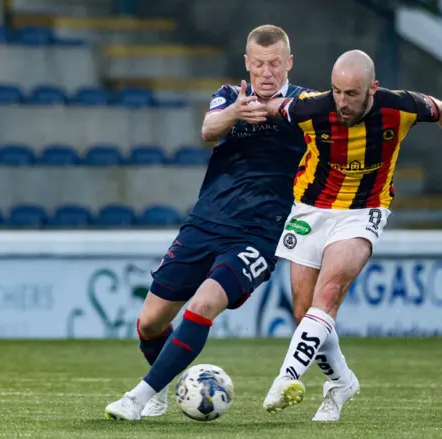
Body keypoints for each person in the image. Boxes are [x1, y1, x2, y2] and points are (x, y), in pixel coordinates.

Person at [261, 50, 442, 421]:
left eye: (352, 93)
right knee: (305, 314)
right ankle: (342, 381)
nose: (342, 103)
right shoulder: (311, 108)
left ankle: (286, 377)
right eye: (337, 92)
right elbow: (274, 109)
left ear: (372, 89)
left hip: (364, 211)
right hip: (310, 209)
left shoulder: (400, 107)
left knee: (326, 298)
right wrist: (241, 106)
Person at [104, 24, 312, 421]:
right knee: (149, 323)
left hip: (258, 233)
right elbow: (207, 129)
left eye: (275, 65)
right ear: (247, 65)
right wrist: (237, 112)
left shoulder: (304, 105)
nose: (267, 74)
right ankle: (162, 388)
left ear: (288, 63)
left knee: (202, 305)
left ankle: (138, 397)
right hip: (206, 223)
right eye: (259, 65)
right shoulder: (230, 97)